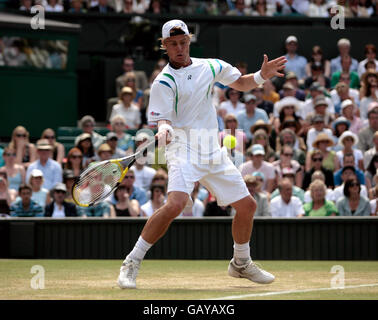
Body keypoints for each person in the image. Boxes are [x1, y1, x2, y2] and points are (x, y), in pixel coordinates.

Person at [117, 19, 287, 289]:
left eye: (183, 42)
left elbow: (241, 84)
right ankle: (131, 262)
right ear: (164, 47)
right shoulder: (163, 81)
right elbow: (163, 120)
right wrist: (163, 128)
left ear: (189, 41)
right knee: (175, 204)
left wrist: (261, 76)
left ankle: (241, 263)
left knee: (248, 206)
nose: (179, 48)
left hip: (211, 149)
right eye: (172, 44)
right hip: (183, 148)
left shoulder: (210, 66)